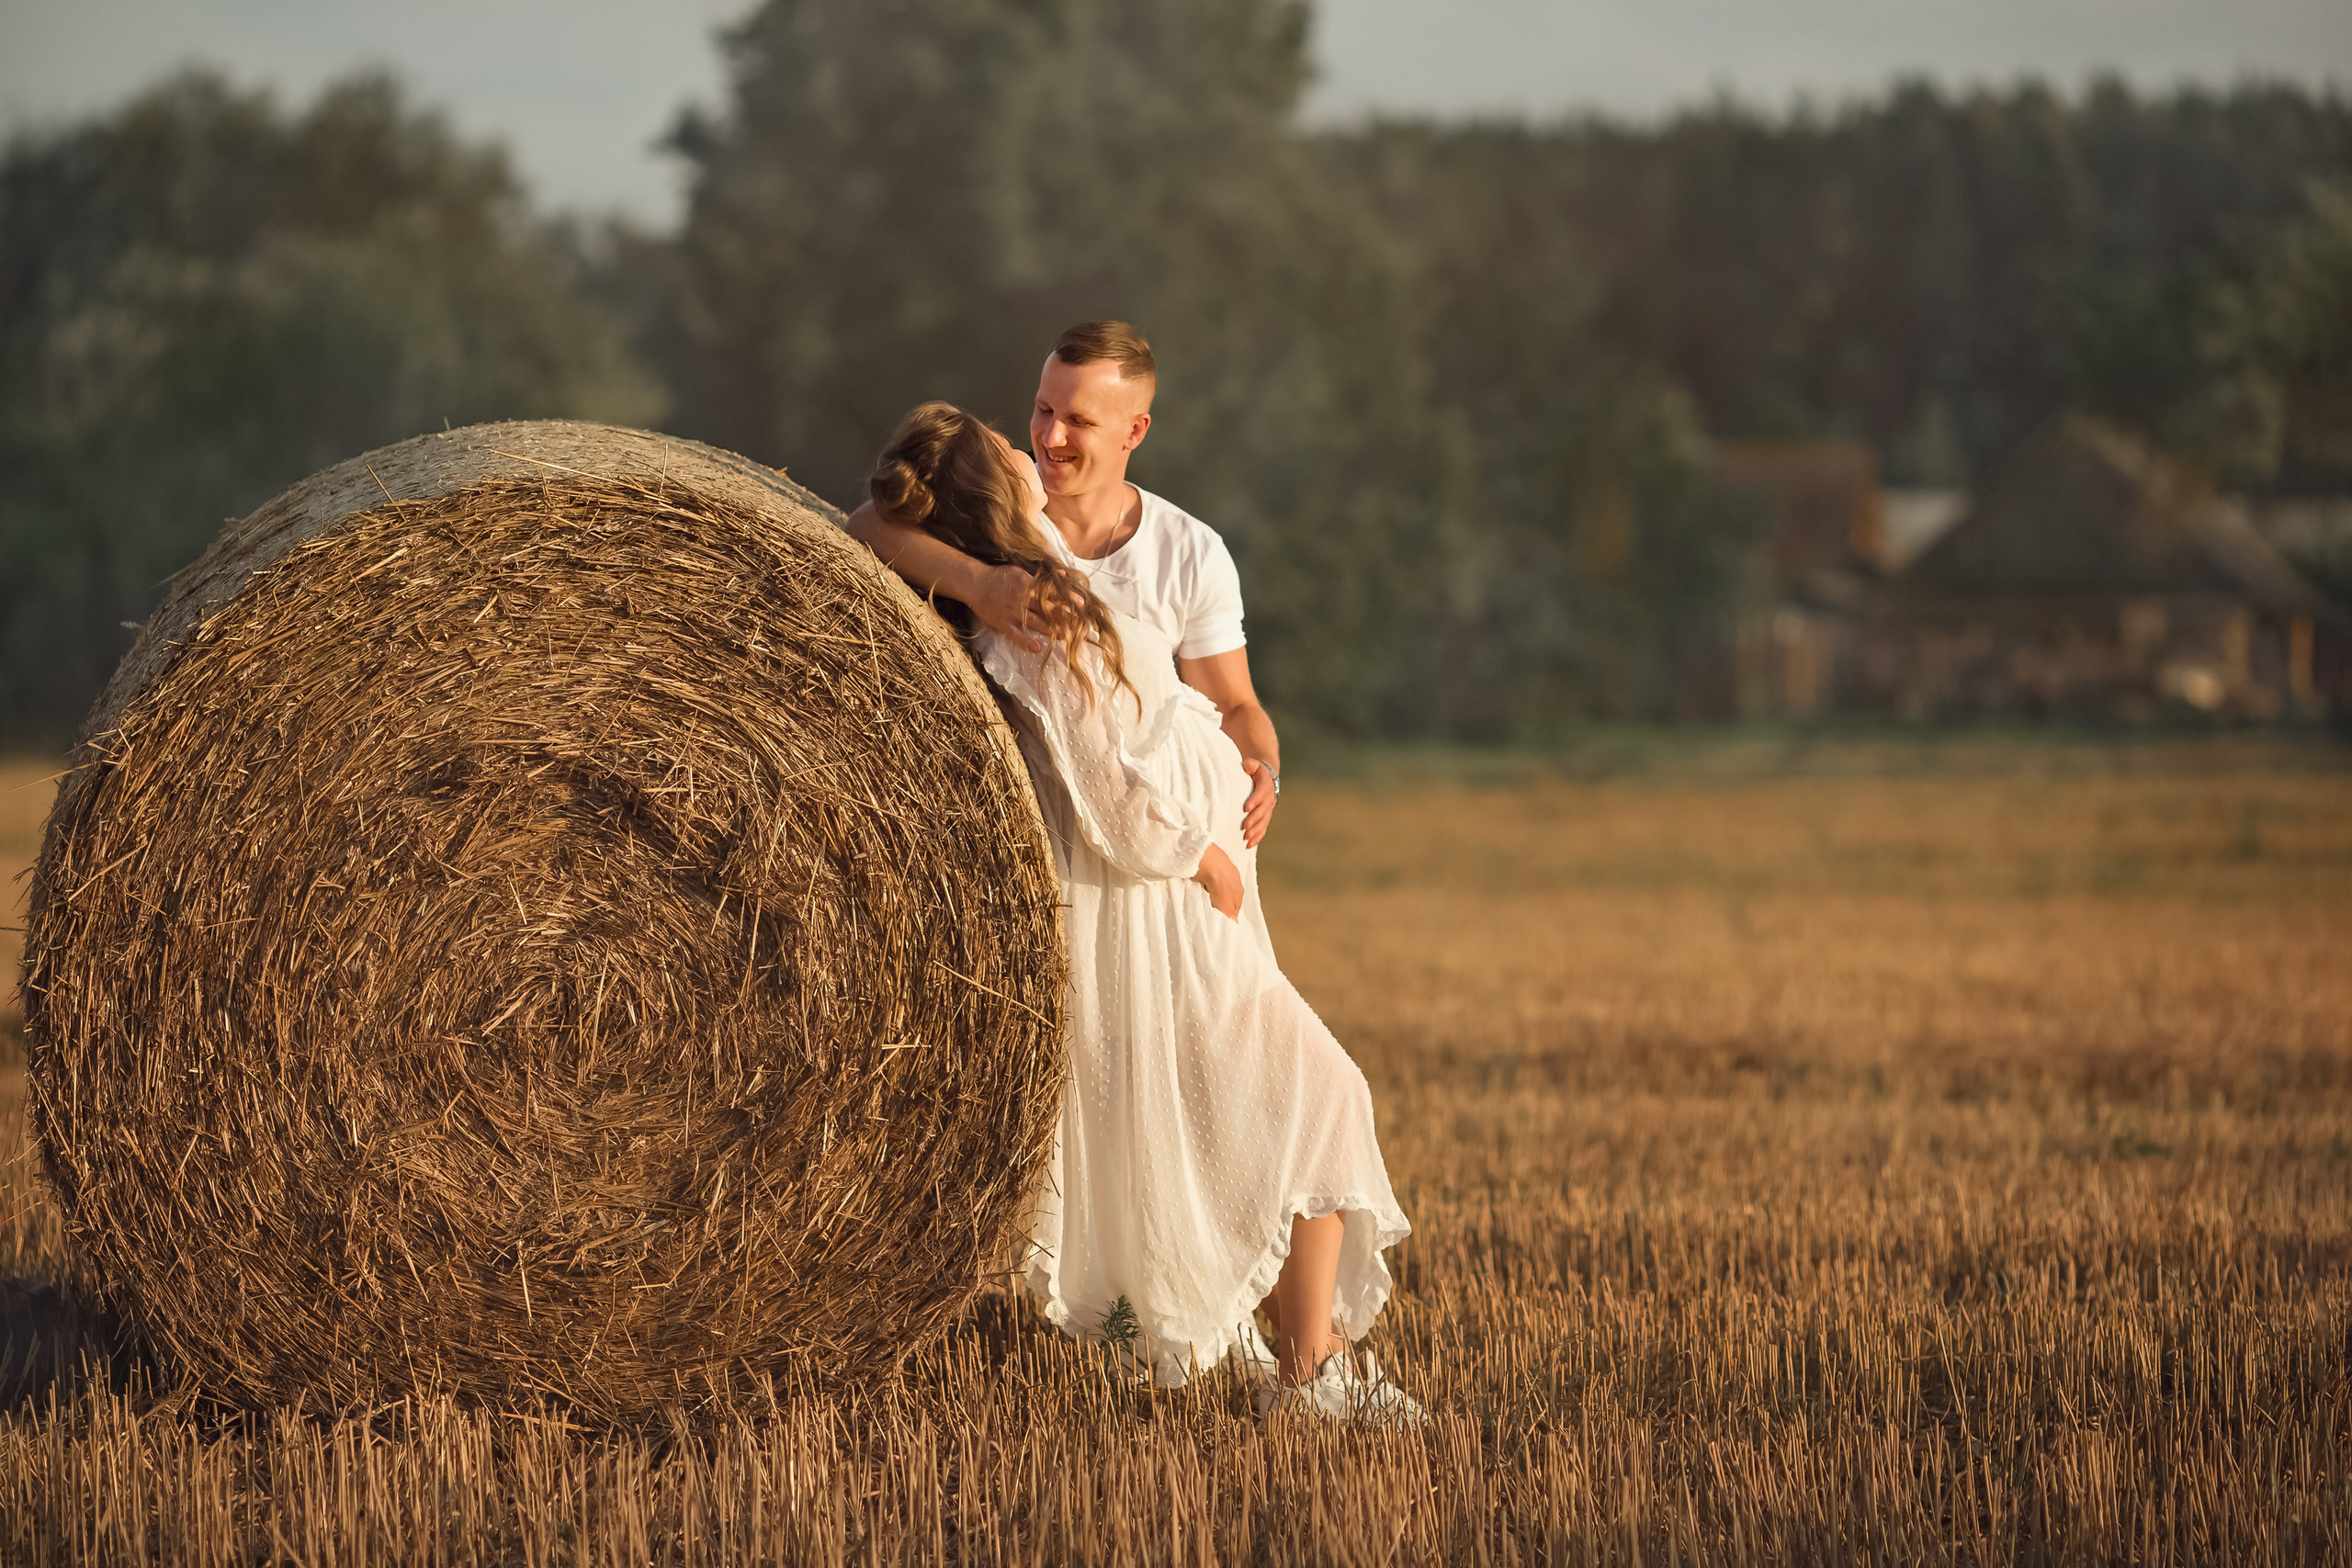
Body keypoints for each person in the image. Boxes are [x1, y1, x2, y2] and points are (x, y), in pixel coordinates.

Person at [865, 400, 1423, 1427]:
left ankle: (1304, 1360)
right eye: (1015, 435)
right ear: (993, 490)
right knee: (1319, 1091)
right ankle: (1308, 1375)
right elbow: (1104, 781)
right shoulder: (1036, 605)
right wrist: (1198, 856)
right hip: (1158, 901)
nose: (1031, 441)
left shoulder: (1043, 584)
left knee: (1254, 1100)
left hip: (1167, 897)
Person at [845, 321, 1281, 852]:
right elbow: (868, 524)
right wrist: (981, 584)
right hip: (1020, 837)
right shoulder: (995, 504)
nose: (1051, 438)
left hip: (1150, 834)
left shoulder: (1192, 552)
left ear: (1135, 431)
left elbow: (1232, 704)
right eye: (1044, 409)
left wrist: (1264, 771)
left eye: (1079, 421)